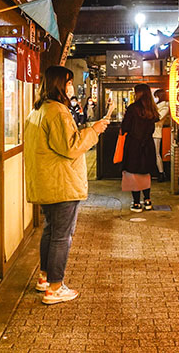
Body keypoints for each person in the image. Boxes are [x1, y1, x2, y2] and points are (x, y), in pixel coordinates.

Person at [24, 66, 109, 304]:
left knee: (50, 232)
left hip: (47, 182)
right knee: (62, 236)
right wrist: (93, 131)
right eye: (69, 82)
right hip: (62, 184)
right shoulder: (58, 112)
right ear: (60, 84)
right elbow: (70, 147)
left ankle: (44, 277)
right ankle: (55, 287)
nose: (71, 86)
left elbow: (59, 143)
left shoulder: (38, 110)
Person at [121, 83, 160, 212]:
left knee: (133, 173)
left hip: (133, 144)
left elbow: (125, 127)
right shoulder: (152, 109)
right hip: (147, 144)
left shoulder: (132, 108)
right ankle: (148, 200)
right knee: (145, 172)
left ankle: (137, 203)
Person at [153, 89, 170, 182]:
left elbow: (157, 118)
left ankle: (161, 173)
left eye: (155, 96)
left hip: (156, 132)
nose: (154, 98)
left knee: (157, 154)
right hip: (152, 132)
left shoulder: (164, 107)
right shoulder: (158, 107)